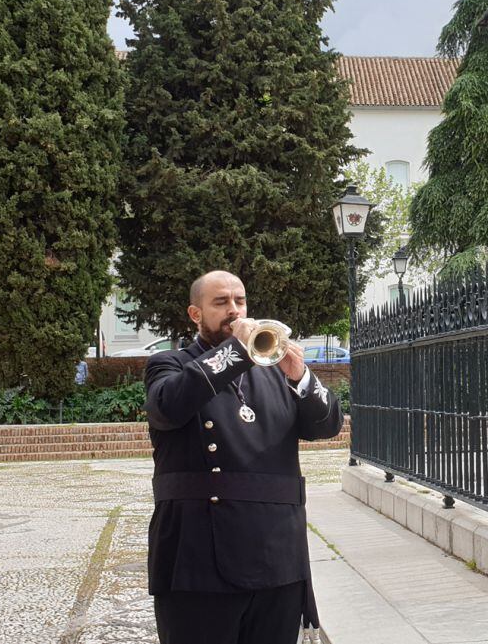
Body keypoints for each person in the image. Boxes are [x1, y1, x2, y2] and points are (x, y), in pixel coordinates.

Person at [144, 270, 343, 644]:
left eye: (240, 300)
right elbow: (169, 405)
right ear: (195, 314)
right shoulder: (168, 364)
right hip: (198, 561)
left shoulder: (275, 372)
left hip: (278, 556)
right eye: (220, 302)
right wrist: (236, 350)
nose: (234, 310)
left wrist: (299, 375)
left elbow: (328, 425)